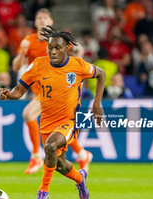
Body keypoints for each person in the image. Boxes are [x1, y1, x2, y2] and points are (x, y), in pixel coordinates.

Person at [0, 26, 105, 199]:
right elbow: (20, 90)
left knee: (50, 146)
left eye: (58, 47)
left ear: (67, 48)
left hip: (69, 121)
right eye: (50, 48)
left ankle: (43, 192)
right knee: (59, 164)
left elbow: (101, 74)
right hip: (47, 122)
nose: (53, 51)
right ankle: (80, 179)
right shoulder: (39, 64)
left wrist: (97, 103)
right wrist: (9, 95)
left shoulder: (77, 65)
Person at [12, 9, 93, 174]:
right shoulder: (29, 40)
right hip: (40, 91)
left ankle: (36, 156)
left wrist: (78, 54)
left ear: (51, 21)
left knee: (28, 114)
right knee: (59, 130)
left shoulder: (58, 40)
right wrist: (22, 52)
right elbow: (16, 66)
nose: (41, 20)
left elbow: (79, 53)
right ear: (35, 23)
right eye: (38, 18)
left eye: (44, 17)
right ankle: (82, 154)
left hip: (57, 90)